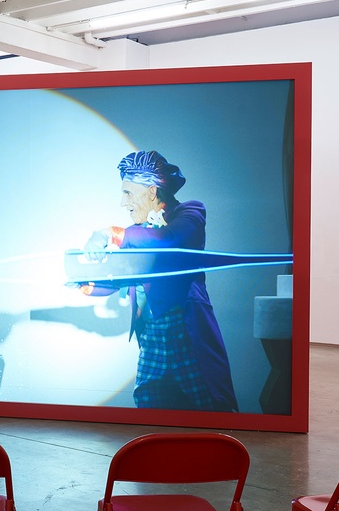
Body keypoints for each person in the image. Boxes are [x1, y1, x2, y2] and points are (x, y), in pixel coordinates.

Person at [80, 150, 237, 412]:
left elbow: (168, 240)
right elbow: (119, 278)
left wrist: (109, 233)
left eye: (128, 193)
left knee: (212, 415)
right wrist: (82, 282)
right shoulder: (138, 235)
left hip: (187, 340)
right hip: (152, 344)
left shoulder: (190, 212)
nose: (123, 202)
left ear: (151, 192)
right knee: (150, 417)